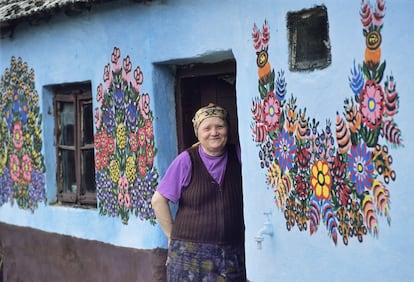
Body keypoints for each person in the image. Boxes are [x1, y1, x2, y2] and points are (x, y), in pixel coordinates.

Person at [151, 103, 246, 281]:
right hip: (189, 254)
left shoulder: (238, 155)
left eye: (220, 126)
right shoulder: (187, 160)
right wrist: (172, 237)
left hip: (232, 252)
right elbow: (158, 200)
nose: (214, 132)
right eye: (207, 128)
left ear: (228, 128)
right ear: (198, 133)